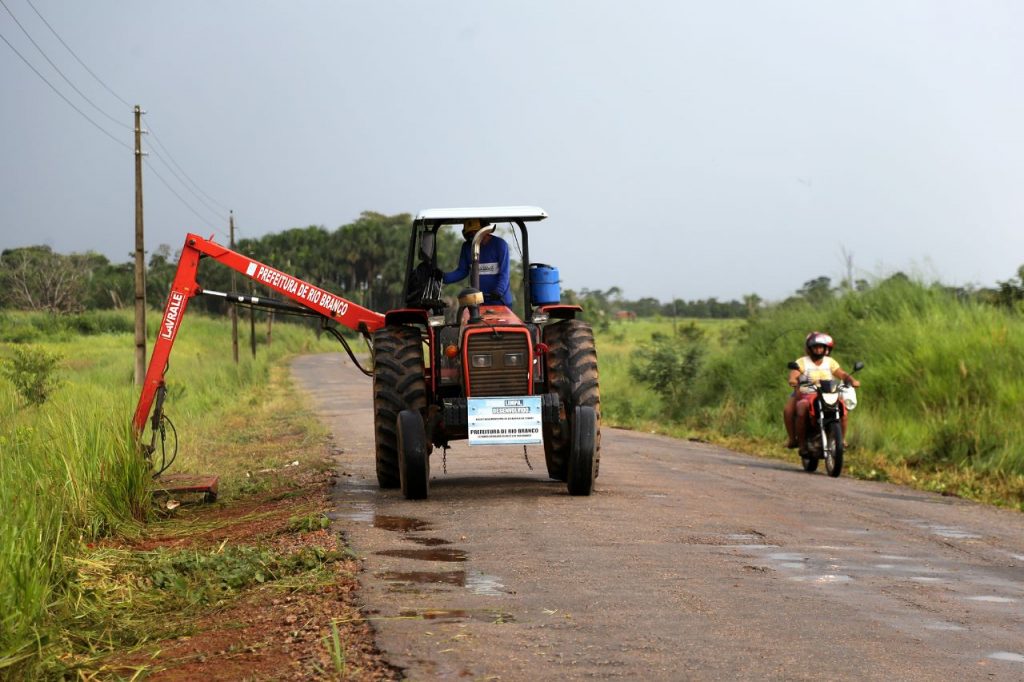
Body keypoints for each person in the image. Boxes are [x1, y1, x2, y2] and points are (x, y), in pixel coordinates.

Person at [784, 331, 861, 454]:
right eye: (816, 347)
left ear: (826, 349)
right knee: (799, 407)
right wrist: (793, 379)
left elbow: (842, 374)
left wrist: (852, 380)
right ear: (810, 348)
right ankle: (800, 443)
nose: (819, 350)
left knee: (842, 408)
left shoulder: (830, 362)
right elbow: (794, 373)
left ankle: (841, 439)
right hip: (807, 392)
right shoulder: (802, 361)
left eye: (821, 347)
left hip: (828, 393)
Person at [442, 219, 513, 306]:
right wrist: (442, 278)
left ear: (485, 231)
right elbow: (462, 271)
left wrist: (499, 291)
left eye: (475, 233)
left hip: (499, 300)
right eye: (469, 234)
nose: (473, 237)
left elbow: (505, 274)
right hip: (477, 301)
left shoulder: (500, 245)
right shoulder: (467, 247)